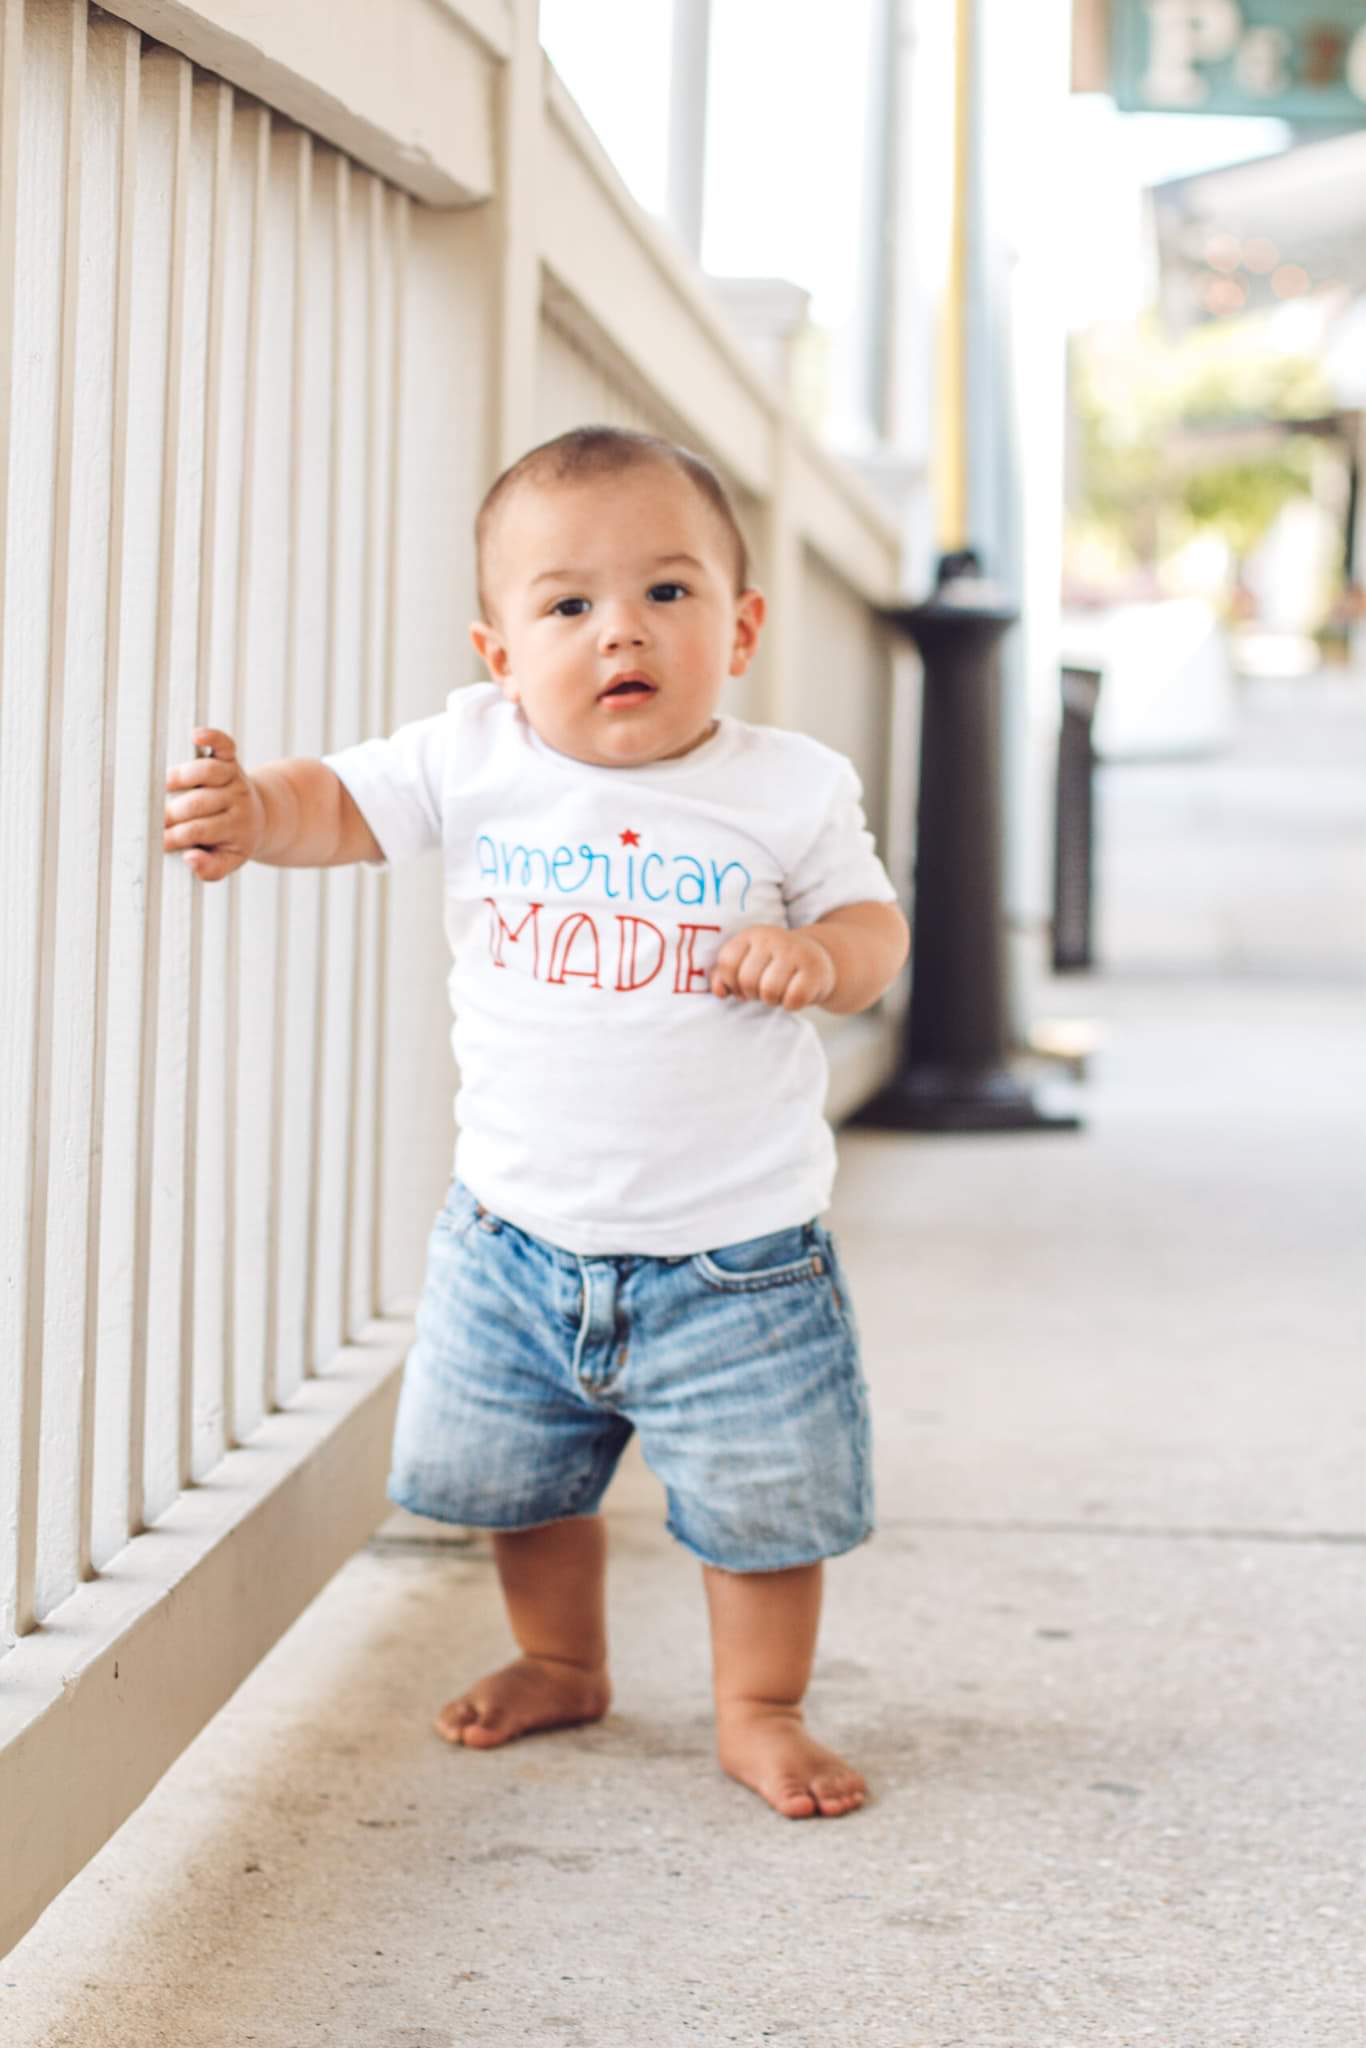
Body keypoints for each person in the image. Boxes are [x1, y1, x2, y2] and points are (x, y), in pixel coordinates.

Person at [163, 426, 909, 1820]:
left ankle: (760, 1704)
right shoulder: (476, 754)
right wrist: (257, 807)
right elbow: (341, 804)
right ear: (500, 651)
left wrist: (823, 960)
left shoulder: (785, 785)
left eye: (666, 595)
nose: (618, 631)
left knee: (763, 1509)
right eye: (567, 606)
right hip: (514, 1240)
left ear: (738, 626)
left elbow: (872, 922)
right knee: (523, 1484)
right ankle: (559, 1659)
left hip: (737, 1259)